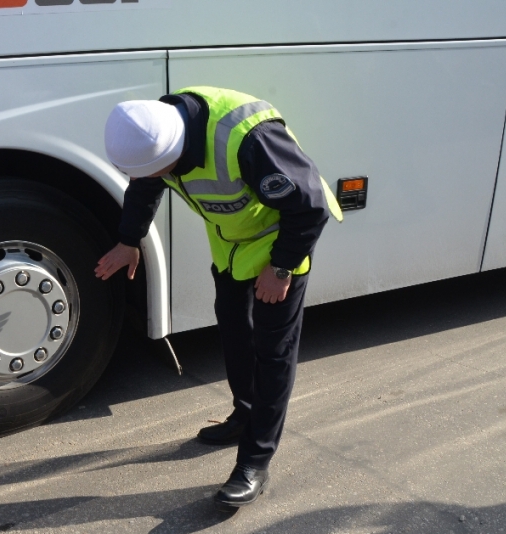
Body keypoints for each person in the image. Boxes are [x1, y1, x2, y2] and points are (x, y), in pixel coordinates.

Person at [95, 86, 343, 510]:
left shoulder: (250, 139)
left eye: (161, 170)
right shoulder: (158, 130)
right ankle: (243, 413)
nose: (157, 177)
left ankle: (254, 461)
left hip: (280, 244)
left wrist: (281, 267)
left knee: (272, 351)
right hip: (231, 247)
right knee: (232, 331)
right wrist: (128, 239)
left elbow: (310, 206)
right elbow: (146, 183)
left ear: (175, 150)